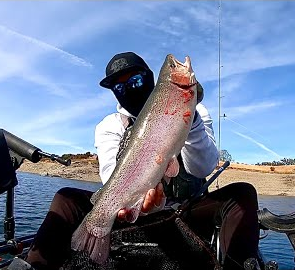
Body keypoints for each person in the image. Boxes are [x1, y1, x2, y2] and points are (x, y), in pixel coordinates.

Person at [20, 52, 260, 270]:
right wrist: (134, 201)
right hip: (131, 209)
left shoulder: (195, 109)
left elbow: (203, 167)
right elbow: (110, 176)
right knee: (65, 199)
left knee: (243, 193)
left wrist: (189, 118)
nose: (128, 90)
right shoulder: (109, 125)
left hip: (186, 210)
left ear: (151, 78)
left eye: (135, 81)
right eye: (119, 87)